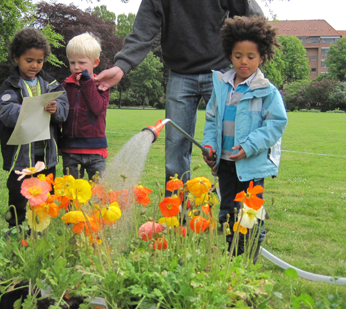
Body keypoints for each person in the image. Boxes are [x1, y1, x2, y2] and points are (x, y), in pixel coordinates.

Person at [94, 0, 264, 193]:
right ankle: (175, 214)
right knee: (175, 149)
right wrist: (121, 67)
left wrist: (251, 59)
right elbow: (142, 33)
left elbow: (252, 14)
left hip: (221, 70)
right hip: (180, 73)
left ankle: (243, 209)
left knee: (235, 141)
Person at [202, 16, 288, 261]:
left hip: (251, 167)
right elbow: (211, 121)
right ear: (230, 55)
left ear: (262, 57)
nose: (244, 61)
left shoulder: (267, 91)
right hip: (226, 165)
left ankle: (248, 260)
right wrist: (210, 146)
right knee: (228, 212)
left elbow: (276, 124)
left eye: (251, 56)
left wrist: (249, 147)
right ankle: (233, 258)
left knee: (249, 214)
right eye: (238, 55)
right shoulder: (222, 87)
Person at [0, 28, 69, 228]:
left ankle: (41, 233)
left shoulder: (51, 83)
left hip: (46, 156)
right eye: (29, 60)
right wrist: (30, 109)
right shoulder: (10, 85)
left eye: (39, 61)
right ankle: (16, 232)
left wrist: (55, 109)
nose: (34, 65)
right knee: (17, 196)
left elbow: (64, 110)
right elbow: (6, 113)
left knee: (47, 200)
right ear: (16, 58)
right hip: (22, 157)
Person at [60, 32, 110, 181]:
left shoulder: (102, 85)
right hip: (70, 149)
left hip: (96, 150)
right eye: (72, 62)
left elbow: (97, 109)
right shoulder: (65, 86)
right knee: (71, 195)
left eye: (81, 63)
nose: (76, 67)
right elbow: (60, 117)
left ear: (95, 63)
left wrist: (88, 83)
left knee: (98, 196)